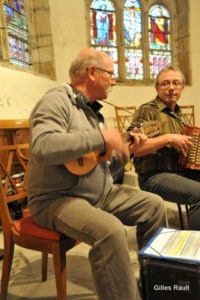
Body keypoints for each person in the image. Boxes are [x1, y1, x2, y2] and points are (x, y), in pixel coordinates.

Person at [27, 48, 166, 300]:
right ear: (92, 72)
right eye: (110, 74)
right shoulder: (56, 100)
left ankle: (156, 286)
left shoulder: (92, 111)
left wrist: (126, 149)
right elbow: (42, 147)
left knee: (154, 205)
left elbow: (91, 160)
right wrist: (101, 136)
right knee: (110, 230)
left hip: (100, 193)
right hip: (56, 198)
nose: (113, 81)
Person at [130, 65, 200, 231]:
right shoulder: (148, 110)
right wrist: (168, 138)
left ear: (182, 87)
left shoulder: (178, 115)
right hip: (154, 176)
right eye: (165, 83)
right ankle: (194, 250)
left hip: (179, 171)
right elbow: (135, 148)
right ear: (157, 87)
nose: (171, 88)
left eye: (176, 83)